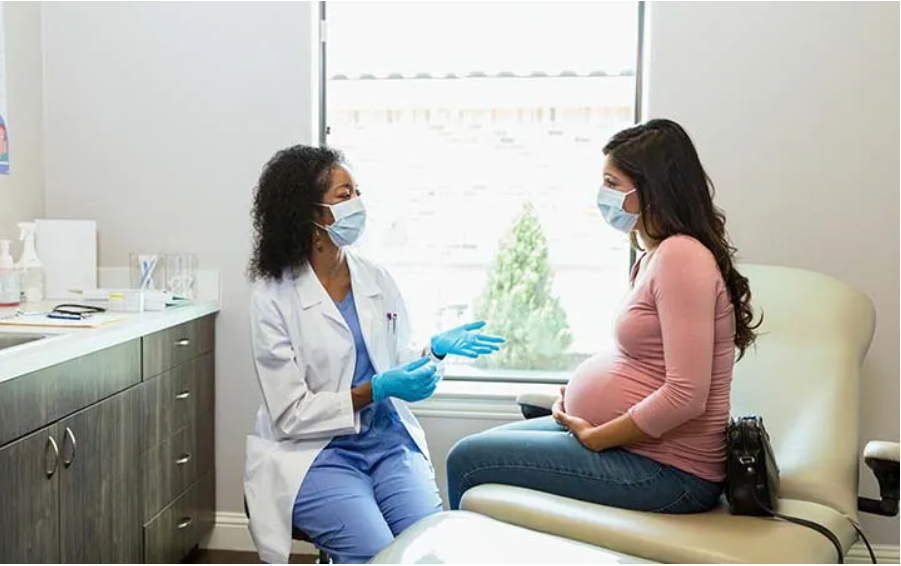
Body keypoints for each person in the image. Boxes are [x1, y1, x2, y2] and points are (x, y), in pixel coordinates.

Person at [446, 119, 760, 515]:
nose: (602, 195)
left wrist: (598, 436)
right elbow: (645, 363)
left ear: (651, 191)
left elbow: (686, 395)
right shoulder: (653, 256)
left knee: (468, 461)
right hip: (639, 450)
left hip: (672, 472)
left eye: (612, 184)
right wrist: (580, 400)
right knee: (473, 450)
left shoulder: (682, 257)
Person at [244, 145, 504, 564]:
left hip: (387, 442)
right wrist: (373, 389)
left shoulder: (375, 278)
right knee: (376, 556)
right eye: (344, 195)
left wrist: (431, 352)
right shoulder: (273, 296)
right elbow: (290, 413)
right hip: (317, 452)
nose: (358, 204)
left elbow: (395, 356)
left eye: (357, 191)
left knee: (428, 552)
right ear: (308, 213)